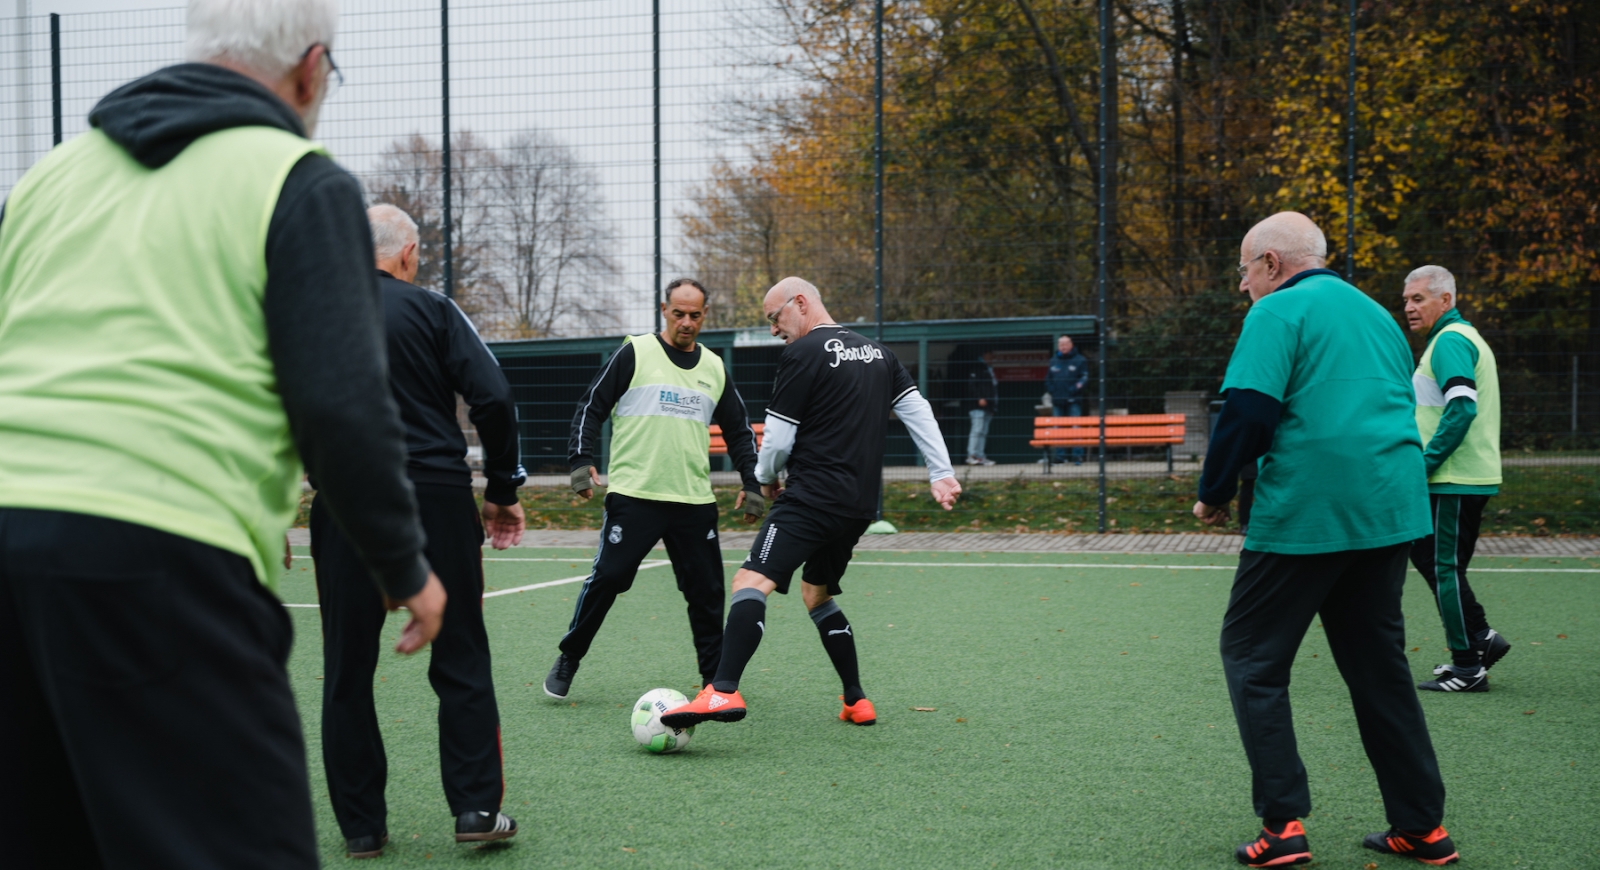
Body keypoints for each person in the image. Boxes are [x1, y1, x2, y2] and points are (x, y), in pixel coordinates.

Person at [0, 2, 446, 868]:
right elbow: (342, 407)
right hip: (160, 560)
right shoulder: (298, 177)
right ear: (311, 70)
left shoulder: (49, 177)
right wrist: (404, 567)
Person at [1193, 213, 1460, 867]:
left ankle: (1283, 828)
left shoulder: (1276, 314)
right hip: (1390, 511)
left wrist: (1214, 491)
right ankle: (1422, 827)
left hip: (1309, 511)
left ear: (1273, 266)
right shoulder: (1375, 314)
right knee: (1379, 667)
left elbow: (1248, 412)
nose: (1243, 287)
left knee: (1253, 658)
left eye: (1245, 272)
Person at [312, 205, 527, 859]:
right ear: (407, 253)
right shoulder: (434, 310)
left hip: (345, 498)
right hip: (433, 493)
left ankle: (360, 828)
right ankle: (475, 810)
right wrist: (502, 492)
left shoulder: (313, 315)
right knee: (460, 654)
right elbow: (492, 396)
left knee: (347, 668)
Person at [661, 277, 961, 730]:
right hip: (858, 508)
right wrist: (941, 472)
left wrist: (762, 481)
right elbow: (918, 411)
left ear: (799, 303)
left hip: (812, 498)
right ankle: (856, 699)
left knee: (750, 579)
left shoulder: (802, 353)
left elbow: (779, 437)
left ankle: (721, 691)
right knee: (815, 593)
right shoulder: (880, 354)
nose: (774, 330)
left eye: (775, 318)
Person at [548, 278, 764, 699]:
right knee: (608, 578)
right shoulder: (636, 352)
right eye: (679, 313)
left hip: (693, 501)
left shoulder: (714, 368)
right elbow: (591, 405)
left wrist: (751, 482)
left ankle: (715, 684)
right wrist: (579, 461)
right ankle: (570, 657)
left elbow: (739, 432)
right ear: (664, 309)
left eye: (695, 315)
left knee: (707, 594)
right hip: (635, 495)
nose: (686, 322)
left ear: (705, 315)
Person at [1402, 265, 1507, 693]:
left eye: (1418, 299)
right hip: (1459, 477)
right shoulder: (1458, 338)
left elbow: (1461, 408)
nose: (1408, 307)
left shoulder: (1449, 342)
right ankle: (1480, 638)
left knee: (1441, 567)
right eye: (1406, 300)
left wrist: (1424, 464)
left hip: (1452, 478)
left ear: (1445, 300)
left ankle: (1468, 666)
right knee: (1435, 562)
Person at [1044, 335, 1089, 465]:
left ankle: (1077, 456)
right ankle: (1059, 457)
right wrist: (1053, 391)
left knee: (1076, 428)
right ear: (1058, 346)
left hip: (1074, 400)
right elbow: (1048, 380)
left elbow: (1084, 378)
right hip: (1057, 401)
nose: (1063, 347)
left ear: (1071, 345)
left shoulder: (1080, 360)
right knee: (1058, 429)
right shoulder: (1053, 361)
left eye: (1066, 344)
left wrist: (1073, 390)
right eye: (1061, 345)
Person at [965, 351, 999, 465]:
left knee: (983, 432)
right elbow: (972, 385)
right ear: (984, 356)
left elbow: (992, 389)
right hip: (976, 406)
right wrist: (979, 398)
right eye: (990, 356)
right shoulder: (977, 368)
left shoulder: (989, 369)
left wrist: (992, 407)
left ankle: (980, 456)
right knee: (977, 430)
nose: (992, 358)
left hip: (988, 407)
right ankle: (971, 455)